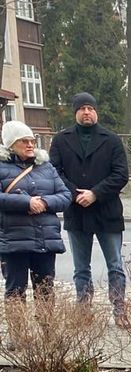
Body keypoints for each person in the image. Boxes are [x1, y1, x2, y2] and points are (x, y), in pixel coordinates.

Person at [49, 92, 129, 327]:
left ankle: (119, 310)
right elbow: (54, 172)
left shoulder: (111, 139)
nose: (87, 112)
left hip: (107, 211)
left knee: (115, 265)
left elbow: (120, 174)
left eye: (91, 108)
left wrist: (95, 193)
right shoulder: (61, 140)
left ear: (96, 112)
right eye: (82, 108)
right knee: (81, 267)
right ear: (75, 112)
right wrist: (75, 193)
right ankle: (84, 310)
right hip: (77, 212)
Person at [0, 121, 69, 308]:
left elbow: (65, 196)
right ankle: (19, 335)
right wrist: (26, 203)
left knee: (45, 290)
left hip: (45, 240)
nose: (30, 145)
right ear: (11, 145)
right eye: (24, 141)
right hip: (14, 240)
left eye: (32, 140)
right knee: (15, 291)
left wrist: (44, 202)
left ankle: (48, 334)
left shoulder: (45, 167)